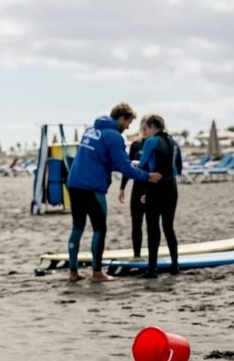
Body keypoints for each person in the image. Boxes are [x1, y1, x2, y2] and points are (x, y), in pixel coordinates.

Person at [66, 103, 161, 282]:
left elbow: (102, 158)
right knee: (99, 228)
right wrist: (148, 176)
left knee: (77, 226)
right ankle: (96, 273)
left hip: (74, 183)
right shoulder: (114, 136)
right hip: (92, 187)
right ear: (121, 118)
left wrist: (128, 164)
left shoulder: (91, 130)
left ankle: (73, 272)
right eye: (128, 122)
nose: (128, 127)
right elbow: (123, 167)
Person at [138, 114, 183, 278]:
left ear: (151, 127)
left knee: (152, 228)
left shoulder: (151, 142)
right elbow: (179, 167)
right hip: (171, 187)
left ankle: (152, 269)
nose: (145, 131)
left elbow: (142, 164)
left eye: (146, 128)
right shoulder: (174, 142)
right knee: (168, 227)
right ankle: (175, 266)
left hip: (155, 187)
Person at [118, 118, 150, 259]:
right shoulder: (136, 145)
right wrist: (122, 188)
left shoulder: (156, 144)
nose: (144, 129)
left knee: (152, 224)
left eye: (146, 126)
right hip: (137, 188)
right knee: (136, 224)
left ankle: (152, 254)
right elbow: (128, 166)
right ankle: (137, 255)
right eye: (142, 125)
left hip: (152, 188)